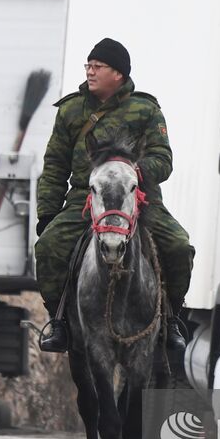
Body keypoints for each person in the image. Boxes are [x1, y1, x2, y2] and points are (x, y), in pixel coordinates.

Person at [34, 38, 191, 355]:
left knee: (179, 246)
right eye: (88, 66)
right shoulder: (70, 111)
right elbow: (54, 166)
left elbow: (164, 159)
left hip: (139, 199)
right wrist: (47, 214)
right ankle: (60, 321)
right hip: (85, 200)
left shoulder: (146, 110)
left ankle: (172, 318)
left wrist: (134, 172)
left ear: (117, 74)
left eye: (97, 66)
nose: (90, 72)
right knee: (48, 248)